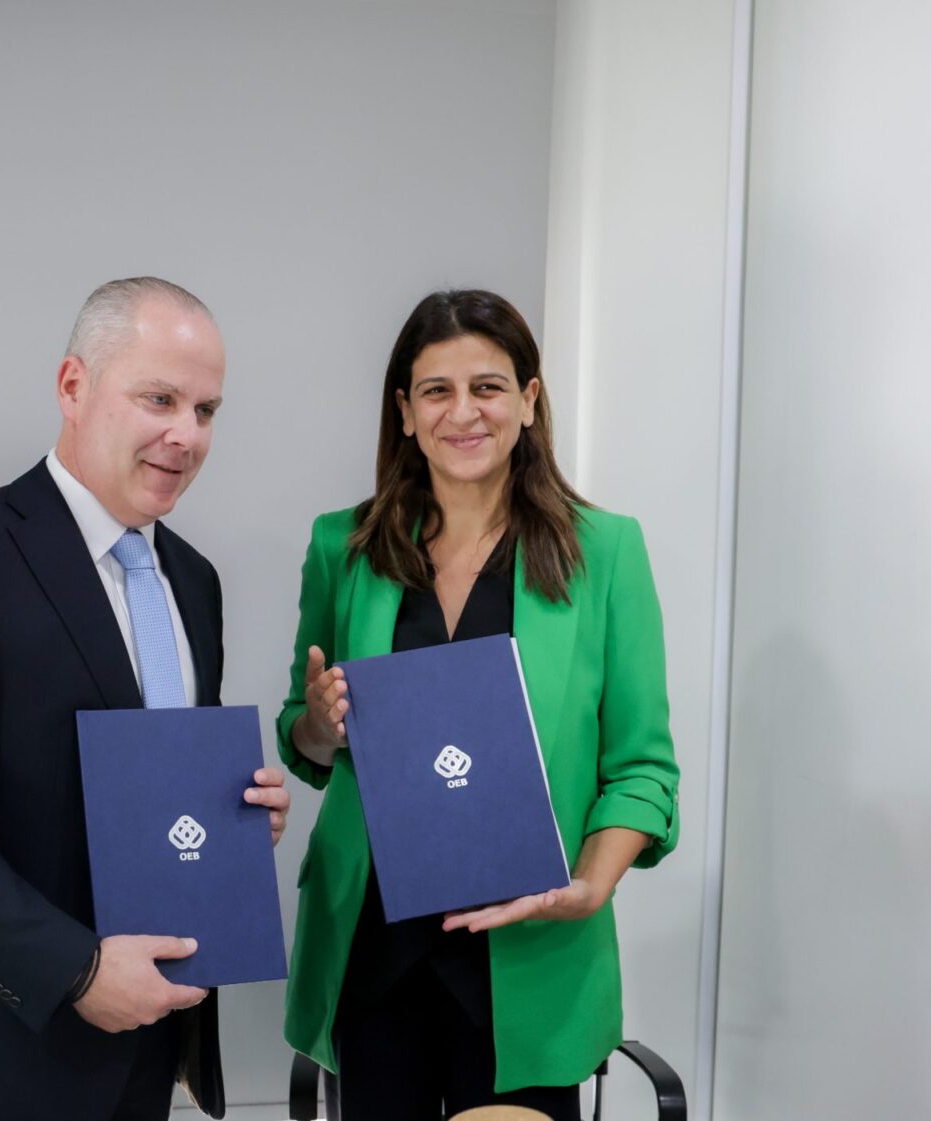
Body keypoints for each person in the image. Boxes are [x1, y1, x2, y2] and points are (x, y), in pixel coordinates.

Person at [0, 277, 290, 1121]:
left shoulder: (192, 580)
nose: (187, 434)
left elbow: (151, 793)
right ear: (73, 386)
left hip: (144, 1060)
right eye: (160, 398)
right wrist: (74, 969)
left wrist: (236, 813)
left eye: (206, 410)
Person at [277, 289, 679, 1121]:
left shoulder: (606, 552)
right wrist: (319, 723)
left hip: (532, 949)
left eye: (488, 387)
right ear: (405, 410)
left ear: (528, 401)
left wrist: (588, 885)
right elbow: (303, 741)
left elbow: (642, 768)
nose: (464, 412)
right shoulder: (341, 547)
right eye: (437, 390)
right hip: (373, 948)